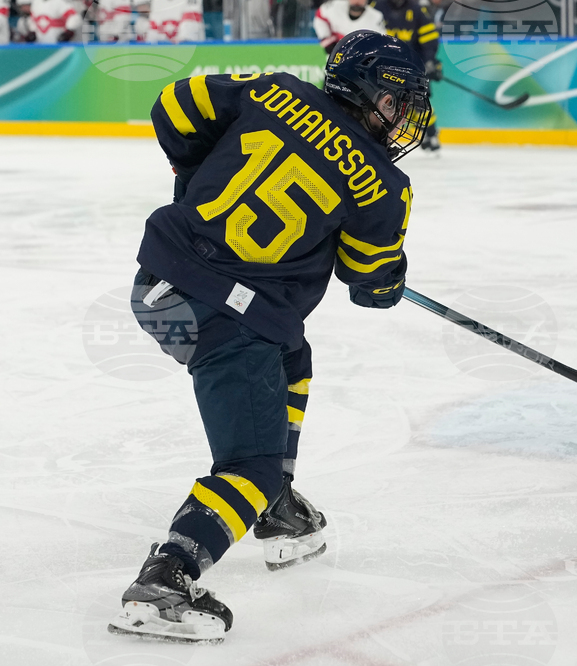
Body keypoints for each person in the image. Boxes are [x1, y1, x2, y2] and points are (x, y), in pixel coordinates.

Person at [107, 30, 431, 644]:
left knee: (291, 355)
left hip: (156, 286)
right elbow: (368, 278)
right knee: (246, 465)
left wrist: (194, 175)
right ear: (365, 92)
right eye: (396, 102)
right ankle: (167, 578)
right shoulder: (385, 186)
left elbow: (175, 105)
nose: (403, 116)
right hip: (221, 314)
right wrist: (389, 280)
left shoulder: (276, 92)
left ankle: (275, 506)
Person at [375, 0, 441, 151]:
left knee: (419, 103)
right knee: (391, 105)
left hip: (412, 67)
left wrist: (429, 60)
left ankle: (431, 134)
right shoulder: (377, 8)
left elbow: (429, 40)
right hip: (384, 68)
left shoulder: (417, 10)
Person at [314, 0, 386, 54]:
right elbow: (320, 17)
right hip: (335, 61)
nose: (357, 1)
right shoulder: (335, 6)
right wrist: (327, 40)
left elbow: (380, 41)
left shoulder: (376, 17)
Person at [16, 0, 82, 42]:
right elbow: (33, 20)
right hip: (41, 43)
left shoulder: (60, 2)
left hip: (58, 41)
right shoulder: (36, 2)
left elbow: (73, 17)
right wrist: (33, 31)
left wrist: (69, 31)